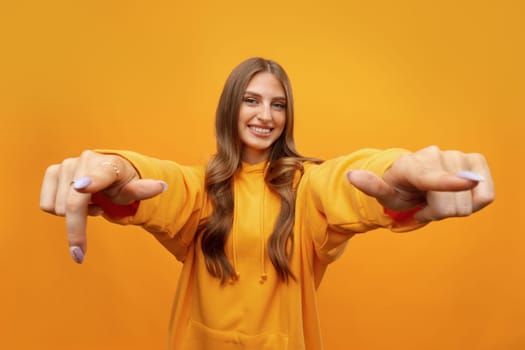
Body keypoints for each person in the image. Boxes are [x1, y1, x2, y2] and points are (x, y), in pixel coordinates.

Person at [40, 57, 494, 349]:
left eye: (278, 105)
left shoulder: (305, 186)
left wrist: (395, 176)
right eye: (251, 100)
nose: (265, 115)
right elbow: (163, 183)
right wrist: (118, 169)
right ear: (229, 109)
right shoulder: (201, 190)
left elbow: (342, 183)